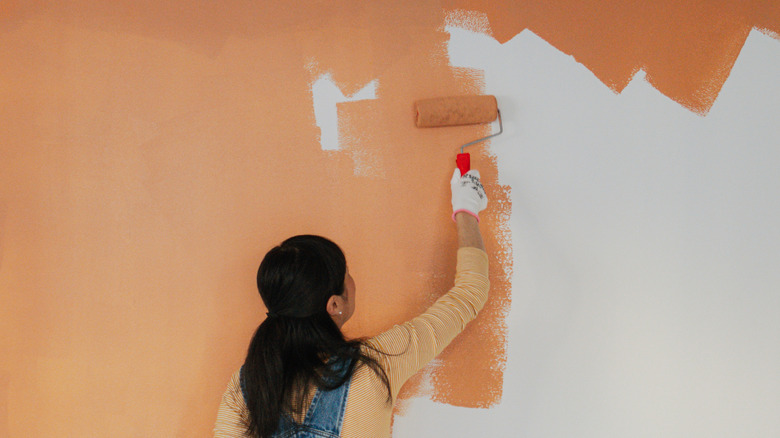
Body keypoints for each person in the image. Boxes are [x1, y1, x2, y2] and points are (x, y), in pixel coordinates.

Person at [214, 168, 490, 438]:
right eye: (347, 274)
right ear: (334, 304)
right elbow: (469, 293)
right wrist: (466, 209)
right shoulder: (378, 363)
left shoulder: (247, 388)